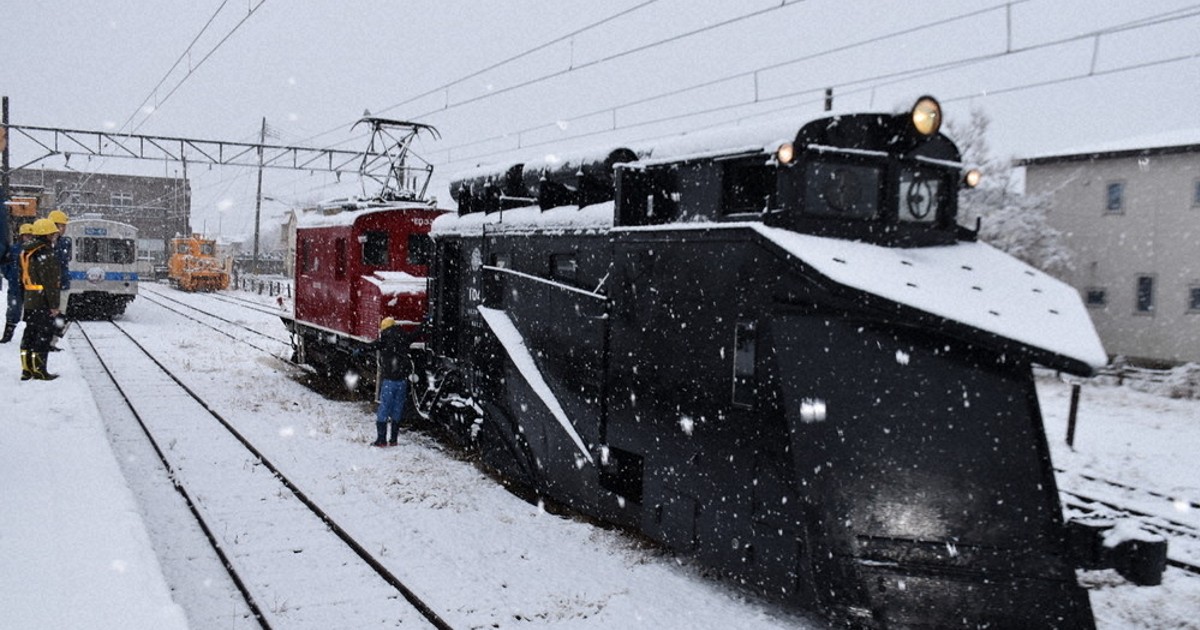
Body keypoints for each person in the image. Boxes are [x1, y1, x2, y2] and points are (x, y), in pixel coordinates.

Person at [19, 219, 62, 381]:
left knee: (29, 335)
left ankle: (26, 369)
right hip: (42, 301)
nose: (55, 236)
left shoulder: (26, 252)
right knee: (42, 336)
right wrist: (54, 305)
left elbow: (21, 278)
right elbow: (51, 283)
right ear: (47, 235)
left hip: (30, 300)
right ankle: (40, 370)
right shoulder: (45, 253)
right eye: (53, 233)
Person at [371, 316, 420, 446]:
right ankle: (394, 439)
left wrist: (358, 350)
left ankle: (381, 439)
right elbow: (416, 334)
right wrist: (427, 323)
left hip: (389, 381)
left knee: (384, 409)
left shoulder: (384, 340)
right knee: (397, 410)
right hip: (402, 382)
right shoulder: (404, 338)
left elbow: (372, 346)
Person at [1, 223, 33, 343]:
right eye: (27, 236)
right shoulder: (14, 249)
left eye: (31, 236)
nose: (29, 238)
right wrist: (10, 276)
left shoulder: (35, 250)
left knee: (31, 312)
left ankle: (30, 337)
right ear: (21, 236)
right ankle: (8, 335)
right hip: (16, 286)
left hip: (31, 286)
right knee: (13, 310)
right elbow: (5, 264)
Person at [47, 209, 71, 351]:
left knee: (61, 314)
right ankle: (48, 341)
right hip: (52, 285)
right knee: (53, 314)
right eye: (61, 225)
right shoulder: (47, 243)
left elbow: (63, 260)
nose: (63, 229)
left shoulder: (65, 243)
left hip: (62, 284)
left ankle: (53, 341)